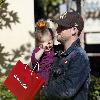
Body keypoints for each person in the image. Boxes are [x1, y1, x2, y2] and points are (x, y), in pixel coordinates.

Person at [41, 11, 91, 100]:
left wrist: (39, 92)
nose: (57, 30)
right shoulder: (55, 52)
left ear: (74, 30)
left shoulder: (79, 56)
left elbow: (67, 90)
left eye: (61, 27)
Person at [31, 19, 63, 86]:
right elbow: (34, 59)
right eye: (42, 43)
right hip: (41, 79)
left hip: (51, 78)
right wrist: (42, 49)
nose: (47, 46)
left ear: (52, 40)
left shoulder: (53, 49)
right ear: (38, 43)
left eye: (49, 43)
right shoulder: (38, 50)